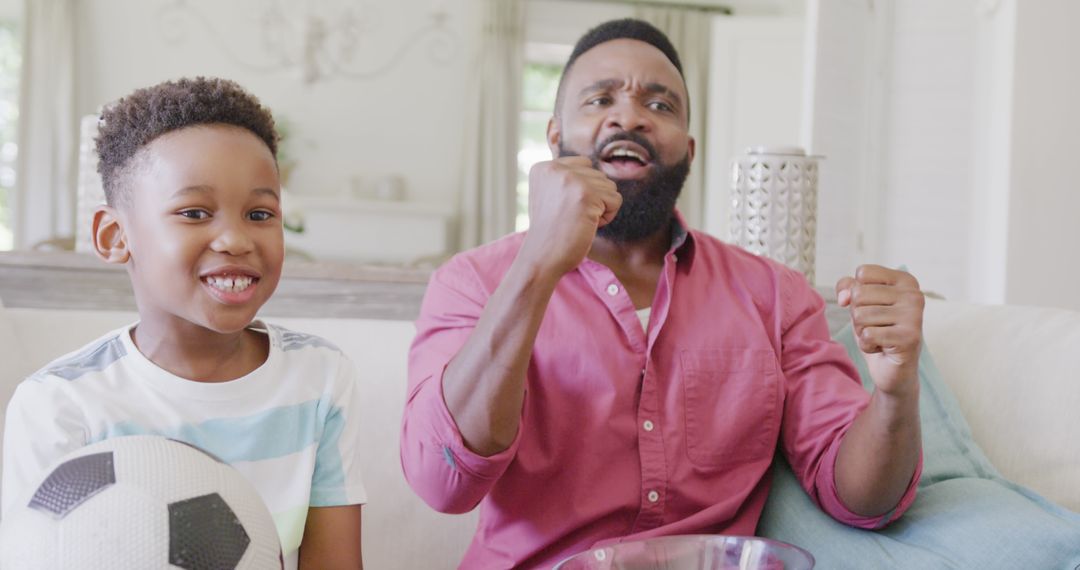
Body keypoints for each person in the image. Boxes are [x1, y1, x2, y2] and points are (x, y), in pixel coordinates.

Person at [401, 19, 924, 569]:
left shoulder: (775, 295)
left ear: (689, 150)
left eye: (661, 105)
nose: (629, 116)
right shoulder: (471, 284)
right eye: (600, 98)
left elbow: (863, 499)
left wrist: (894, 391)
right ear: (556, 139)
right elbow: (443, 484)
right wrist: (538, 261)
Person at [1, 77, 366, 569]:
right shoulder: (59, 405)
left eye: (260, 213)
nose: (236, 239)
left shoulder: (320, 376)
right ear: (114, 236)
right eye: (195, 212)